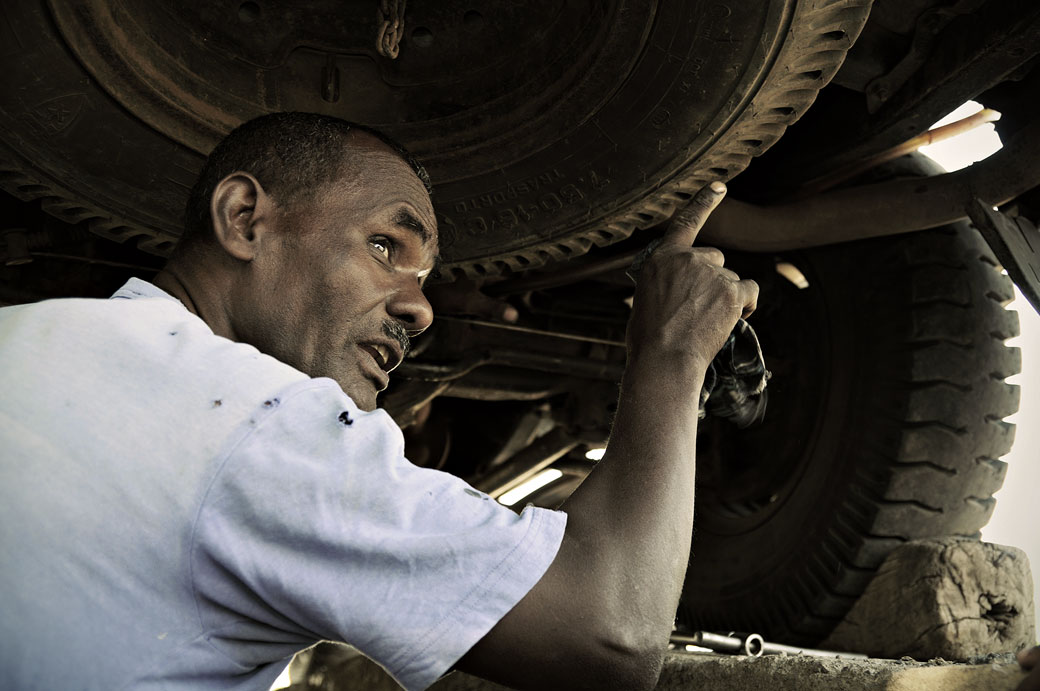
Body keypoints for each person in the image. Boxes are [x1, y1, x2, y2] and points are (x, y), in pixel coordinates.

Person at [0, 112, 1032, 691]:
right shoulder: (255, 427)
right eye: (386, 245)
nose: (419, 308)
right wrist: (666, 359)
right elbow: (608, 638)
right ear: (242, 217)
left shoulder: (29, 337)